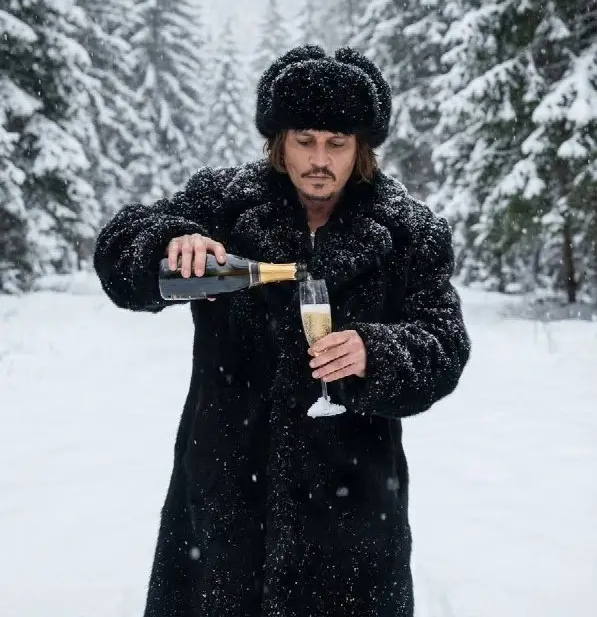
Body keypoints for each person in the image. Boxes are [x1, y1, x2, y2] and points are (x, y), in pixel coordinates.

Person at [93, 45, 471, 617]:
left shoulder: (408, 230)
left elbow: (444, 341)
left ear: (361, 148)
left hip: (354, 516)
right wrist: (169, 241)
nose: (320, 160)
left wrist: (378, 351)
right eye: (305, 141)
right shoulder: (221, 204)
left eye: (337, 144)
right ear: (279, 142)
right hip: (223, 505)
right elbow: (121, 253)